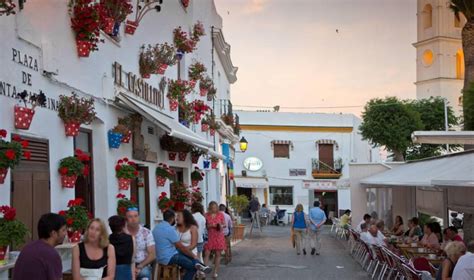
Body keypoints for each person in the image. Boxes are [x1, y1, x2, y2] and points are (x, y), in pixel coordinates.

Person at [153, 210, 211, 280]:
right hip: (171, 256)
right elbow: (181, 247)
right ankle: (199, 264)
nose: (177, 218)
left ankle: (198, 264)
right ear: (172, 219)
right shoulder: (171, 229)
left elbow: (192, 245)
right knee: (192, 267)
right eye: (176, 216)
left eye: (178, 216)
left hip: (164, 255)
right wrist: (194, 256)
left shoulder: (156, 228)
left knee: (184, 253)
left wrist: (187, 251)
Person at [13, 213, 67, 280]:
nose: (65, 233)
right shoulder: (51, 254)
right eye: (63, 230)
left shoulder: (27, 248)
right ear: (53, 233)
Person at [125, 207, 155, 279]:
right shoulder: (123, 232)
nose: (133, 219)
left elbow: (152, 254)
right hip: (126, 265)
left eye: (135, 216)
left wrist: (139, 266)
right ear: (126, 219)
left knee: (144, 275)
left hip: (142, 265)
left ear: (139, 217)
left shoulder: (146, 232)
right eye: (130, 216)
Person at [204, 201, 227, 278]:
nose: (214, 209)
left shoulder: (220, 214)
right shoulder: (206, 215)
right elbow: (204, 225)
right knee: (207, 253)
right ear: (210, 208)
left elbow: (224, 225)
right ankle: (204, 270)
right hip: (209, 236)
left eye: (215, 207)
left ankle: (215, 272)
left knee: (218, 254)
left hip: (218, 236)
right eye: (212, 207)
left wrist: (220, 225)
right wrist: (210, 225)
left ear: (217, 207)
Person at [108, 215, 135, 280]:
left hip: (112, 271)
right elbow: (132, 259)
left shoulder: (107, 239)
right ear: (123, 226)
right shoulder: (131, 239)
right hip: (126, 271)